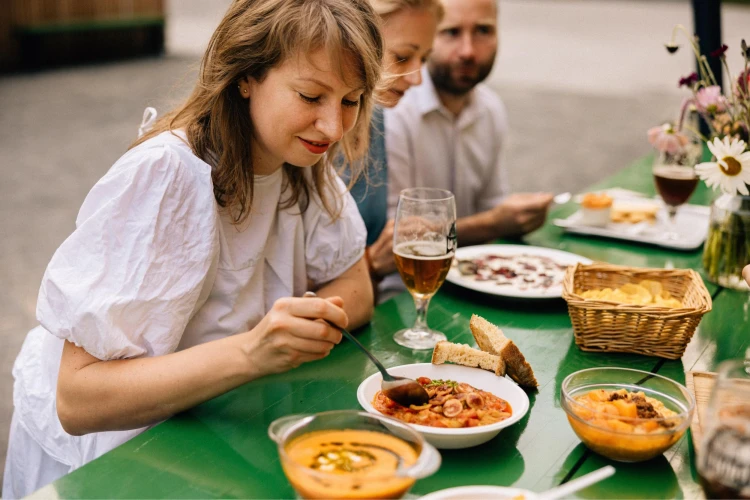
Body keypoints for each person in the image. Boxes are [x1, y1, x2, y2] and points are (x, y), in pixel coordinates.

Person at [2, 0, 383, 497]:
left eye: (351, 101)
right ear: (246, 76)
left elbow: (357, 289)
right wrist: (253, 349)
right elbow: (76, 400)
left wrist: (294, 325)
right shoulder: (167, 176)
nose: (333, 127)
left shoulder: (303, 159)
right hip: (113, 459)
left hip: (217, 425)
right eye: (311, 95)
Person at [384, 0, 554, 246]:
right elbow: (396, 236)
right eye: (451, 32)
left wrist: (518, 215)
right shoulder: (394, 109)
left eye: (483, 31)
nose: (468, 51)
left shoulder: (489, 107)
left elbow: (491, 204)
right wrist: (494, 223)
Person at [344, 0, 442, 299]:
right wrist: (372, 263)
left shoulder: (378, 117)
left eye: (424, 59)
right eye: (402, 57)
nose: (417, 79)